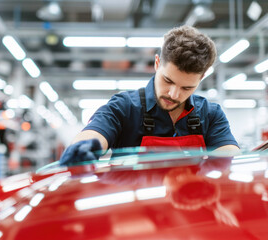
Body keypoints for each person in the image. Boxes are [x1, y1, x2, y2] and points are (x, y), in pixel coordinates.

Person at [60, 25, 240, 166]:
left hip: (189, 209)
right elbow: (95, 133)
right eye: (168, 80)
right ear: (157, 63)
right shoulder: (124, 107)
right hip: (135, 211)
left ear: (201, 78)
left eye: (186, 88)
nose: (174, 94)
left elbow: (230, 157)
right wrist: (83, 147)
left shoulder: (210, 114)